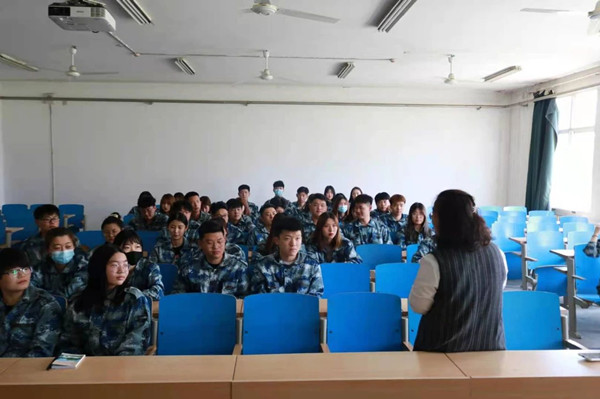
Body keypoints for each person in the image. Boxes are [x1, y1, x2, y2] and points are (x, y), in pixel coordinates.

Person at [409, 189, 507, 352]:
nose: (432, 217)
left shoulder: (434, 262)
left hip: (443, 354)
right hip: (490, 349)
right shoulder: (498, 253)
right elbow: (497, 289)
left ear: (444, 220)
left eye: (434, 213)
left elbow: (418, 306)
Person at [59, 244, 152, 356]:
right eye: (115, 265)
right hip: (85, 367)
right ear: (100, 268)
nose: (122, 270)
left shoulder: (134, 299)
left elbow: (136, 343)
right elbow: (68, 342)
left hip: (121, 366)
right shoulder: (80, 300)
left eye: (125, 265)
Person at [0, 248, 62, 357]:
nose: (22, 275)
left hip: (24, 369)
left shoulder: (45, 304)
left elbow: (41, 352)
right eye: (14, 271)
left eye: (25, 269)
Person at [173, 220, 249, 298]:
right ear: (200, 243)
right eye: (210, 243)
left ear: (225, 240)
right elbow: (178, 297)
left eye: (219, 242)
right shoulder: (189, 269)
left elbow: (245, 300)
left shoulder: (238, 267)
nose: (215, 247)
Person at [251, 216, 323, 296]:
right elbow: (259, 300)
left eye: (297, 238)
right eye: (287, 238)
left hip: (303, 308)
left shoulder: (312, 265)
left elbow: (316, 298)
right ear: (276, 240)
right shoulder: (263, 266)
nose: (293, 244)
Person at [31, 228, 88, 300]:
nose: (64, 251)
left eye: (68, 247)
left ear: (74, 247)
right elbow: (30, 287)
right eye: (57, 248)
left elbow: (70, 293)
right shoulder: (42, 266)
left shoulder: (83, 266)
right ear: (48, 250)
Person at [114, 230, 164, 301]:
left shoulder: (150, 267)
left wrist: (134, 295)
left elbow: (158, 292)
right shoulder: (112, 268)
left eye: (137, 247)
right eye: (127, 248)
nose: (133, 251)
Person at [19, 204, 60, 269]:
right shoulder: (29, 244)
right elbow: (21, 268)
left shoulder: (69, 241)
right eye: (47, 219)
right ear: (37, 222)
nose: (52, 222)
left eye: (55, 219)